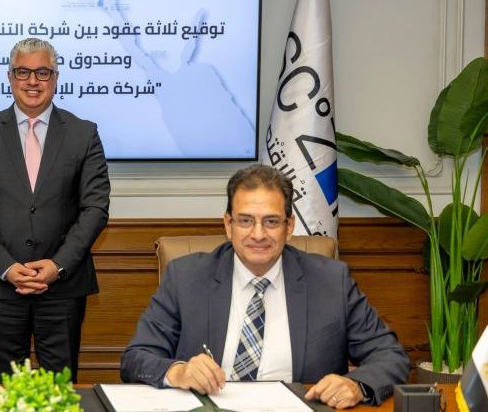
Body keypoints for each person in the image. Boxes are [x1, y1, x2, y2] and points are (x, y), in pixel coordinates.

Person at [120, 165, 409, 409]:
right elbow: (136, 358)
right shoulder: (186, 277)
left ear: (289, 226)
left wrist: (356, 385)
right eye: (246, 221)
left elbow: (390, 356)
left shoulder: (331, 281)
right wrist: (178, 372)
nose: (258, 234)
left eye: (271, 221)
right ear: (228, 224)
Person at [0, 37, 111, 382]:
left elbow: (96, 207)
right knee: (3, 389)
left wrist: (58, 265)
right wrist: (6, 267)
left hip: (63, 288)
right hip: (1, 286)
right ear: (9, 77)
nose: (32, 81)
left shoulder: (84, 134)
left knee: (60, 390)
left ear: (56, 78)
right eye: (23, 72)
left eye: (42, 72)